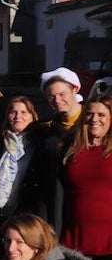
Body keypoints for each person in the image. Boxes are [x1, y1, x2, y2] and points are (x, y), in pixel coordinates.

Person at [60, 93, 112, 260]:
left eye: (102, 114)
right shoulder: (71, 150)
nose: (95, 119)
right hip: (76, 243)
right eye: (90, 114)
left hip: (110, 244)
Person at [0, 96, 40, 259]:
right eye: (13, 112)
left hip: (25, 217)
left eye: (23, 112)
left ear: (32, 116)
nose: (17, 116)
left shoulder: (39, 144)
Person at [34, 67, 87, 230]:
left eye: (62, 94)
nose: (57, 100)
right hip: (56, 209)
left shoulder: (91, 124)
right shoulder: (47, 131)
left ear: (75, 90)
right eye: (51, 96)